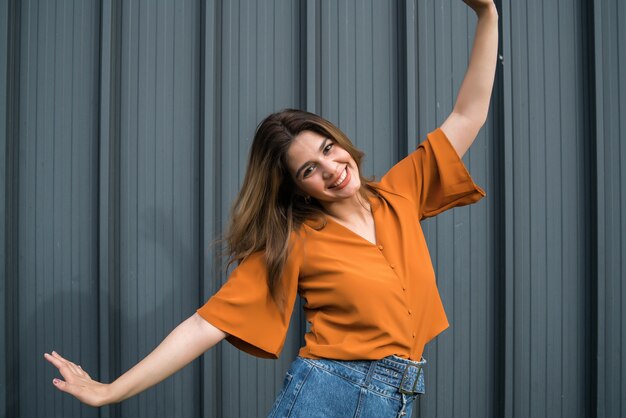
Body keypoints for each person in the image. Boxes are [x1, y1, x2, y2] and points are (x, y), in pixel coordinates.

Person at [44, 0, 498, 416]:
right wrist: (110, 391)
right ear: (299, 189)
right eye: (309, 170)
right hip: (328, 396)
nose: (331, 169)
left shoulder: (399, 194)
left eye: (328, 148)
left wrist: (487, 15)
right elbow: (206, 325)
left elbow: (466, 115)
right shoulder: (295, 241)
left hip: (394, 398)